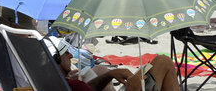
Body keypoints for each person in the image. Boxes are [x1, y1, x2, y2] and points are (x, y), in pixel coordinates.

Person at [47, 36, 179, 91]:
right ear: (55, 58)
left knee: (100, 69)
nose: (71, 55)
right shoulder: (72, 84)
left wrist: (111, 73)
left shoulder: (55, 82)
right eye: (66, 53)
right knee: (163, 61)